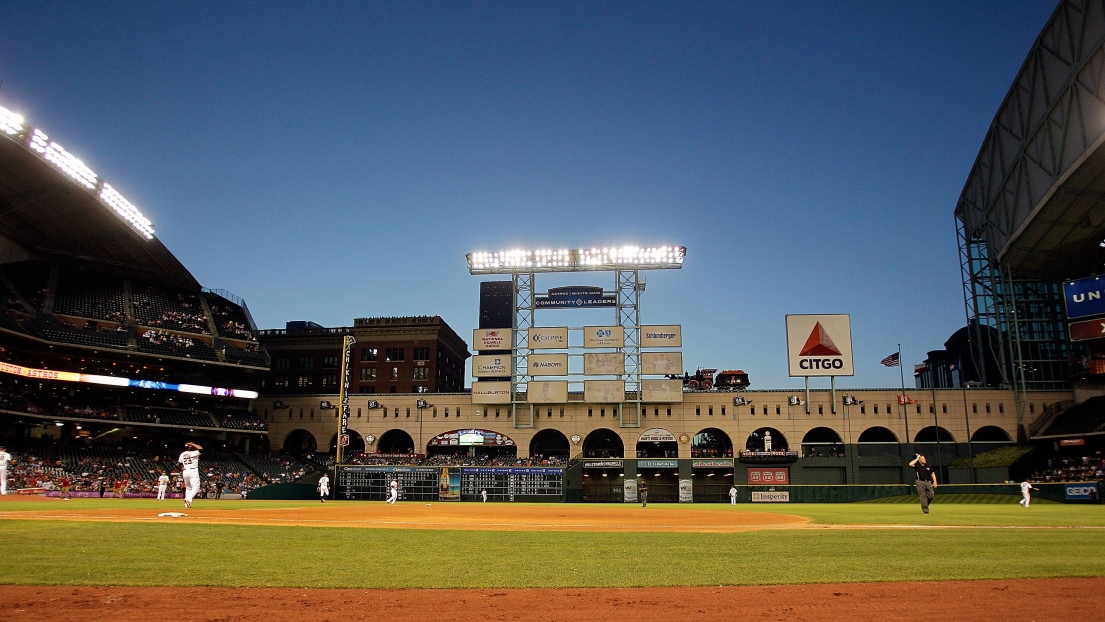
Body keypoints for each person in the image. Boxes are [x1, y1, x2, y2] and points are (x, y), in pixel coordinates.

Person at [178, 441, 202, 509]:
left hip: (185, 470)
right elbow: (201, 449)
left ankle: (187, 505)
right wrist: (192, 444)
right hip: (193, 470)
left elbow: (179, 464)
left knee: (188, 488)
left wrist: (182, 469)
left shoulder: (183, 454)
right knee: (196, 487)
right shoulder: (194, 453)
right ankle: (188, 499)